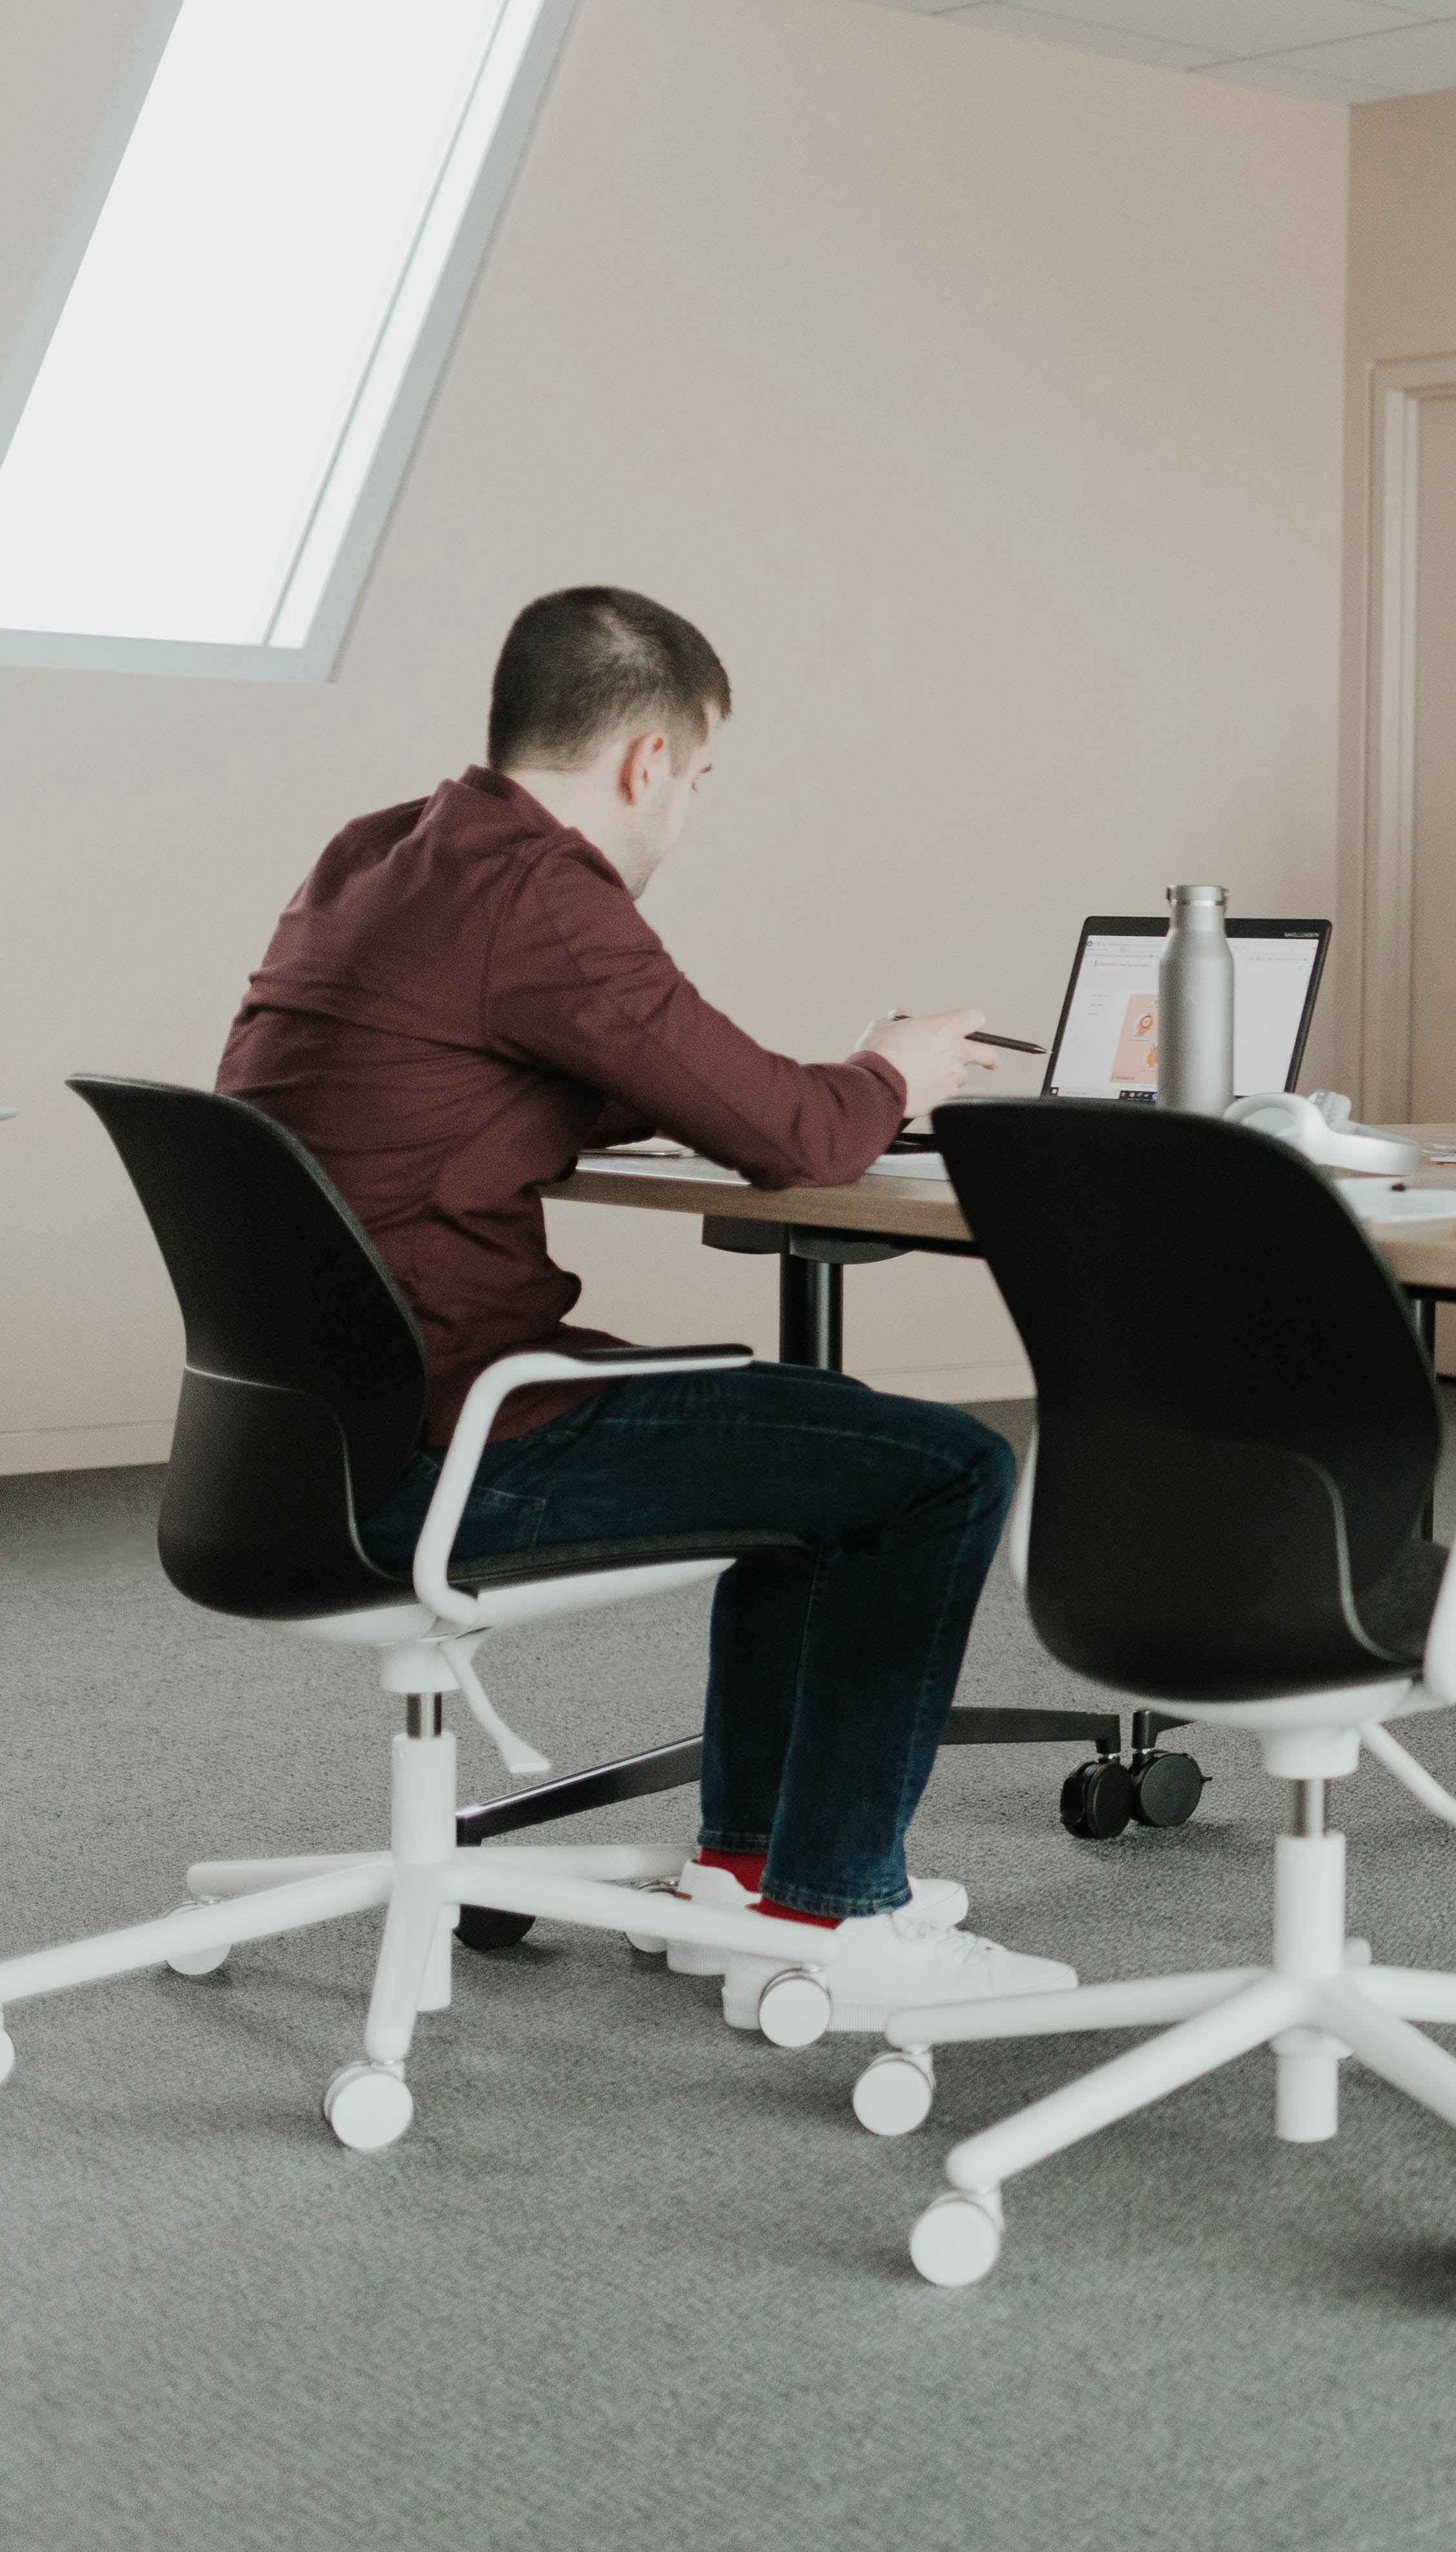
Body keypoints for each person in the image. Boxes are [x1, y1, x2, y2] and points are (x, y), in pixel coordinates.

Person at [214, 585, 1076, 2027]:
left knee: (828, 1454)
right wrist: (895, 1077)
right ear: (648, 763)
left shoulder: (383, 854)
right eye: (702, 780)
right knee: (943, 1468)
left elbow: (549, 1069)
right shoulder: (544, 894)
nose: (688, 812)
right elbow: (801, 1143)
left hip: (299, 1444)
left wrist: (790, 1093)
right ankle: (840, 1914)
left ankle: (742, 1879)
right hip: (448, 1443)